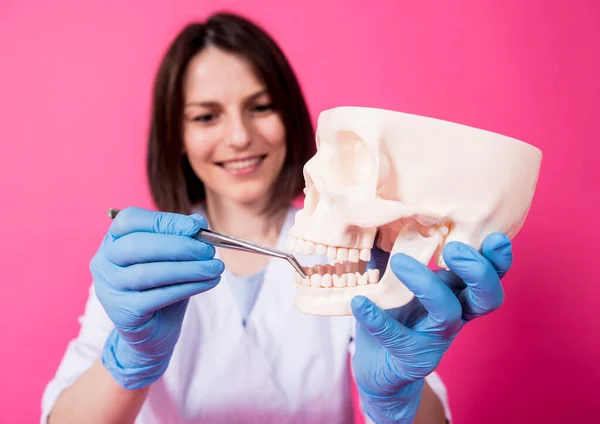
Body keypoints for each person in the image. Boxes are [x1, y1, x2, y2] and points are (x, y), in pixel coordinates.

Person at [41, 12, 512, 424]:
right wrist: (130, 359)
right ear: (177, 136)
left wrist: (398, 398)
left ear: (289, 116)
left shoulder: (354, 247)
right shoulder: (140, 266)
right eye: (207, 117)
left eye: (260, 107)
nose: (240, 136)